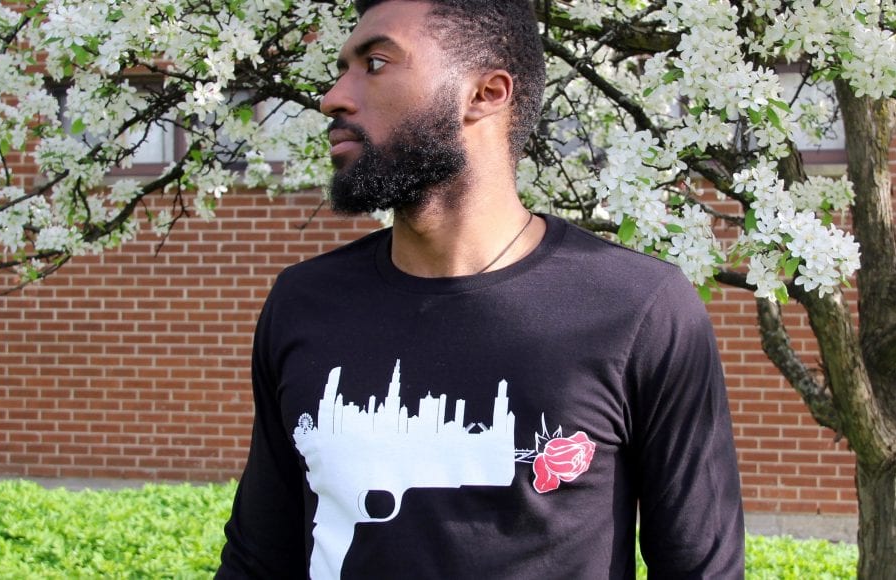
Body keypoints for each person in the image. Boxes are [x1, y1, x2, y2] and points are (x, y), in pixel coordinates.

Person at [215, 0, 744, 577]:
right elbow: (258, 557)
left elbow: (702, 568)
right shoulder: (304, 303)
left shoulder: (637, 308)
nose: (333, 98)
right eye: (342, 69)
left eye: (375, 64)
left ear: (486, 94)